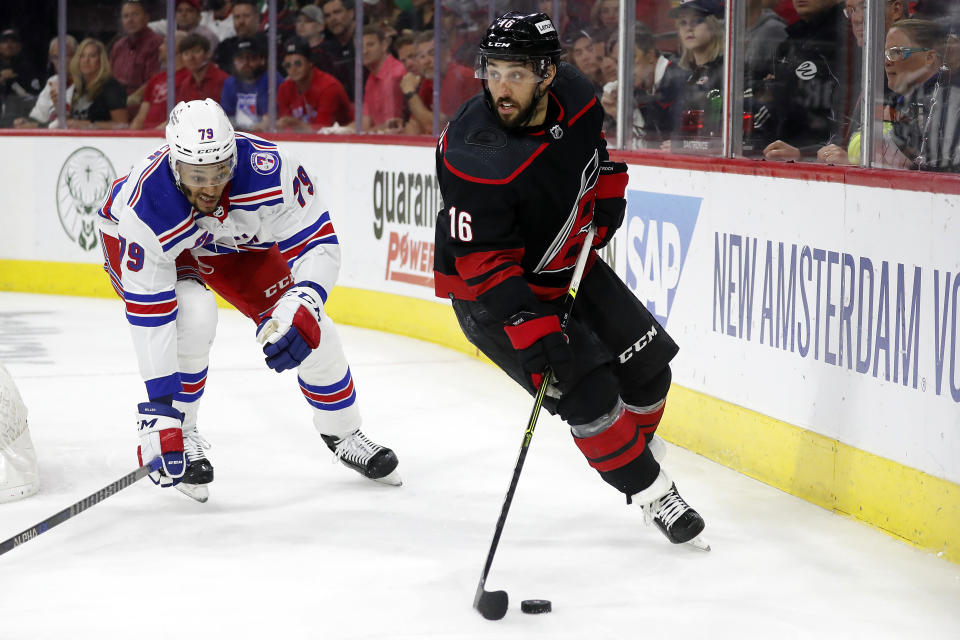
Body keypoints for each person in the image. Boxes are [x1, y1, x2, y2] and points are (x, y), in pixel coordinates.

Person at [434, 12, 707, 548]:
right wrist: (529, 328)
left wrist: (604, 189)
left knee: (648, 370)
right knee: (591, 395)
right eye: (493, 71)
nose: (501, 87)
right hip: (495, 297)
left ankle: (632, 457)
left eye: (516, 73)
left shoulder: (578, 94)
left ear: (547, 74)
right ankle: (656, 493)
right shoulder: (473, 152)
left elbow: (591, 149)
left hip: (565, 263)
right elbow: (482, 261)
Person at [96, 98, 402, 500]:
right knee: (194, 314)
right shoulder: (147, 206)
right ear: (174, 165)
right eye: (196, 175)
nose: (209, 186)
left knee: (312, 330)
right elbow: (151, 317)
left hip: (230, 241)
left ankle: (344, 433)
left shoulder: (271, 171)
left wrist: (304, 300)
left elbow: (319, 245)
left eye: (220, 171)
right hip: (144, 241)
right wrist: (161, 412)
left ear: (233, 159)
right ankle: (182, 432)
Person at [762, 0, 854, 161]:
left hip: (823, 159)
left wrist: (805, 154)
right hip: (784, 152)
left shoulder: (850, 36)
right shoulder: (793, 37)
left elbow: (846, 118)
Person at [881, 19, 960, 172]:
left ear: (929, 58)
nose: (887, 62)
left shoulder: (947, 103)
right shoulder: (905, 102)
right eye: (886, 54)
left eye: (897, 52)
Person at [600, 25, 687, 149]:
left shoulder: (679, 82)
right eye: (618, 62)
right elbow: (645, 146)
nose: (624, 68)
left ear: (650, 56)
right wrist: (620, 115)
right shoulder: (642, 88)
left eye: (631, 58)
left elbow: (683, 145)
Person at [400, 29, 480, 134]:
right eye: (421, 56)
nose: (426, 61)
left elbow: (437, 127)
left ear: (447, 54)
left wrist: (410, 93)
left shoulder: (460, 76)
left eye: (432, 54)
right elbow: (414, 125)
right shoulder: (429, 81)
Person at [276, 38, 352, 131]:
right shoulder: (284, 88)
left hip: (343, 141)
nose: (293, 69)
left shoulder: (328, 87)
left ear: (310, 62)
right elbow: (283, 130)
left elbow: (322, 132)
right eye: (288, 65)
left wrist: (296, 124)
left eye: (298, 63)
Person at [12, 35, 77, 128]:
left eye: (65, 56)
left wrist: (34, 126)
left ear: (77, 56)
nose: (60, 61)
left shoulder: (83, 83)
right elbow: (38, 116)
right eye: (55, 57)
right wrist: (25, 122)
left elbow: (67, 124)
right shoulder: (53, 81)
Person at [64, 38, 129, 129]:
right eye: (82, 56)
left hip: (101, 141)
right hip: (77, 140)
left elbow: (123, 125)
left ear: (100, 60)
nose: (86, 60)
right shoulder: (79, 87)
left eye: (92, 56)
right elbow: (72, 121)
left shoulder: (111, 87)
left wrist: (89, 125)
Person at [130, 31, 189, 130]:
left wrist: (154, 134)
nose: (160, 47)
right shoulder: (155, 79)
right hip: (147, 137)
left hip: (167, 136)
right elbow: (140, 117)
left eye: (165, 43)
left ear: (177, 47)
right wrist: (132, 136)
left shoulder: (188, 78)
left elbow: (181, 116)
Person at [220, 37, 282, 130]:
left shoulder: (273, 80)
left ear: (262, 60)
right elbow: (225, 118)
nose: (246, 63)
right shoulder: (230, 83)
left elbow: (273, 119)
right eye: (241, 59)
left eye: (251, 58)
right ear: (234, 62)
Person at [110, 0, 164, 100]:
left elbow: (154, 81)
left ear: (147, 17)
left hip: (143, 104)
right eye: (126, 16)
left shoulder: (156, 44)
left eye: (135, 14)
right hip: (116, 103)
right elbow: (110, 78)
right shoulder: (118, 46)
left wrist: (129, 100)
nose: (130, 20)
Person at [359, 24, 406, 132]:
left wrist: (364, 134)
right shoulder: (371, 77)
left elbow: (392, 125)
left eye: (370, 45)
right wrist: (339, 130)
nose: (364, 51)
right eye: (360, 47)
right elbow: (365, 122)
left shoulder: (395, 74)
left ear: (384, 45)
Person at [0, 28, 42, 127]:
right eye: (4, 42)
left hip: (20, 120)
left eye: (13, 42)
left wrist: (16, 81)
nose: (8, 45)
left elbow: (35, 97)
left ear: (19, 46)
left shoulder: (28, 69)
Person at [213, 0, 265, 74]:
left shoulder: (269, 46)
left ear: (257, 17)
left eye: (246, 16)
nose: (241, 21)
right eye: (237, 17)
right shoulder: (224, 47)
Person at [176, 32, 229, 104]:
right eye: (186, 53)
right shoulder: (185, 84)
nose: (191, 57)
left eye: (196, 51)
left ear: (208, 53)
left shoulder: (223, 80)